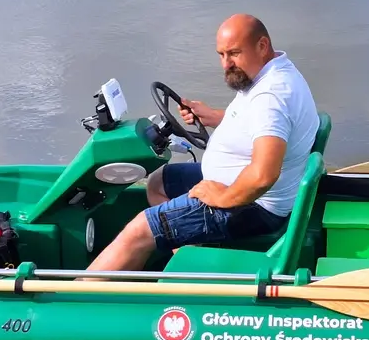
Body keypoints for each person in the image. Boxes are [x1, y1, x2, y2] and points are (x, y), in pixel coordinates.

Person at [88, 14, 319, 272]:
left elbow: (263, 175)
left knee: (139, 230)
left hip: (256, 206)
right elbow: (261, 125)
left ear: (262, 46)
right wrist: (214, 117)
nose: (226, 64)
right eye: (221, 54)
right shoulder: (275, 71)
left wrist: (224, 197)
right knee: (158, 182)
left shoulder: (271, 96)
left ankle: (74, 293)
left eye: (234, 53)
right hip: (243, 185)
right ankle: (190, 262)